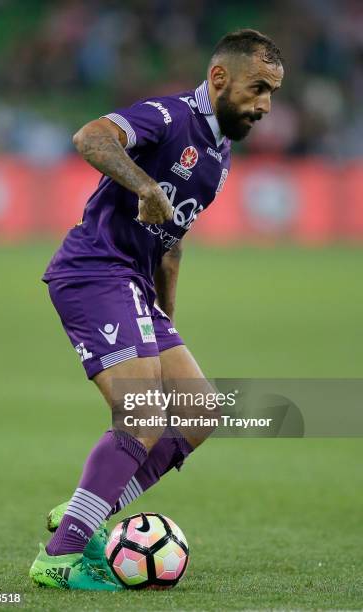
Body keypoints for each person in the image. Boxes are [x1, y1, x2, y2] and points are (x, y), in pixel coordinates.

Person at [29, 29, 284, 591]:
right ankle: (60, 557)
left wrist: (165, 318)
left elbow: (173, 237)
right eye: (258, 88)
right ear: (220, 78)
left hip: (135, 286)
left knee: (197, 414)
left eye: (273, 93)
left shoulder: (219, 156)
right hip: (94, 270)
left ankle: (82, 514)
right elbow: (91, 136)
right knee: (143, 416)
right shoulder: (168, 117)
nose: (265, 105)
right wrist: (144, 185)